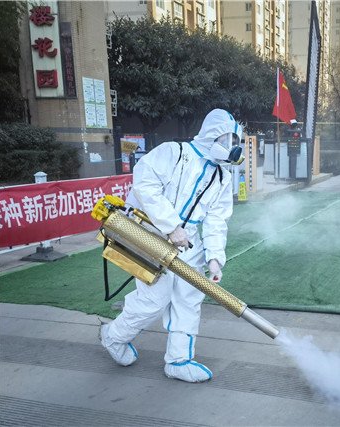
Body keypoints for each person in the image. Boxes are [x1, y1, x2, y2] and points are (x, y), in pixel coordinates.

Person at [100, 109, 243, 383]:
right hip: (150, 231)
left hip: (188, 240)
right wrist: (171, 226)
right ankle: (114, 336)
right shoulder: (174, 153)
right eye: (228, 139)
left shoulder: (222, 177)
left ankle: (179, 360)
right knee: (155, 299)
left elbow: (217, 219)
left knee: (189, 298)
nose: (232, 147)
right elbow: (145, 184)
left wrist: (215, 258)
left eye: (235, 141)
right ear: (212, 135)